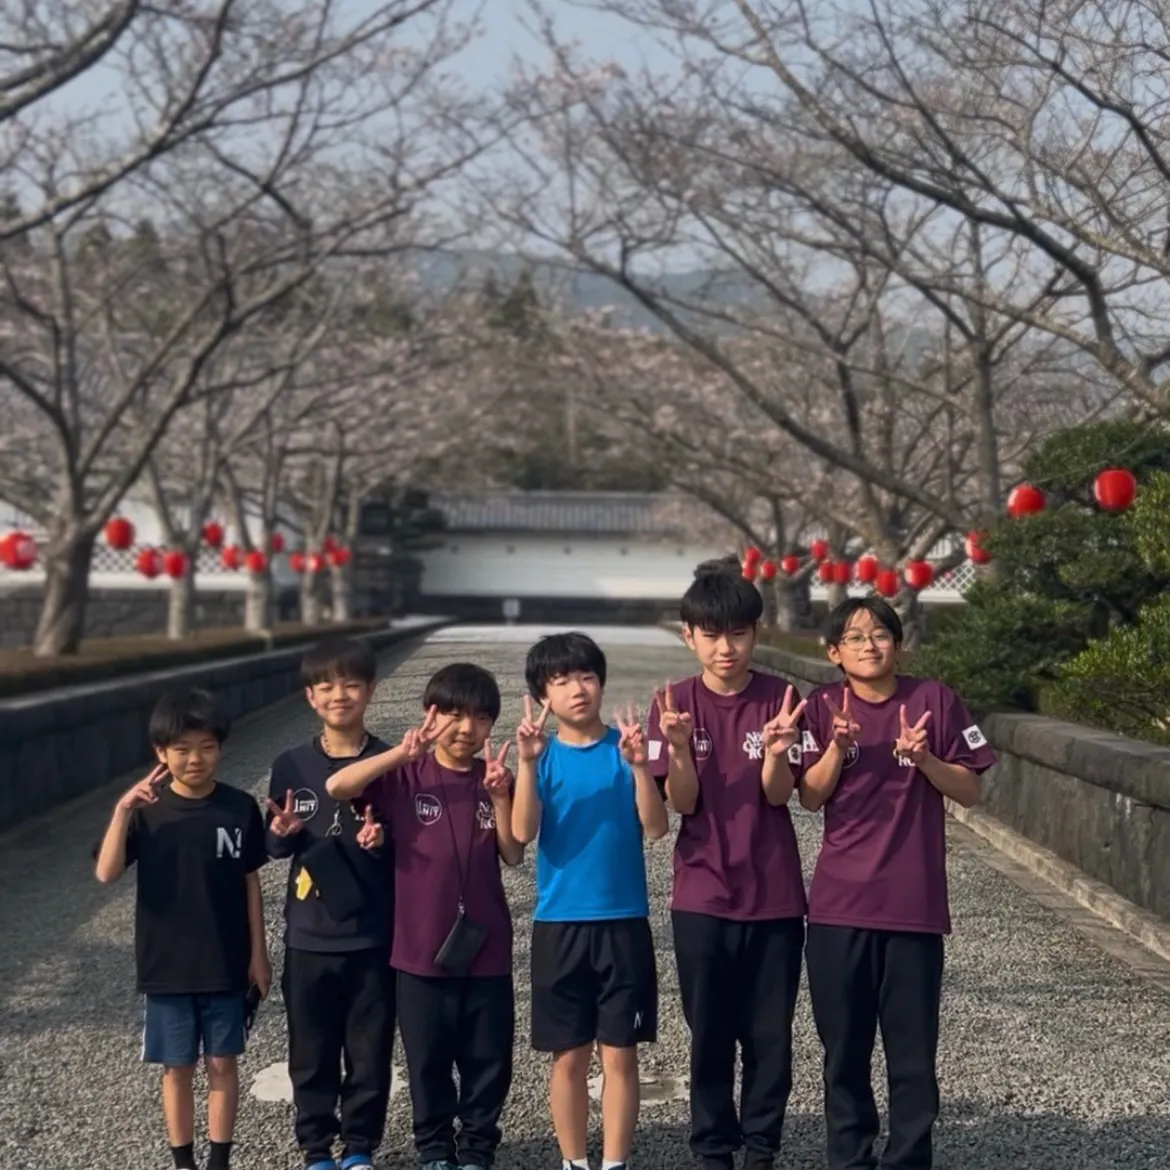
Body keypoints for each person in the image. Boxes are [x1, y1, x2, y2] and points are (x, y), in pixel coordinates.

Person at [798, 596, 995, 1170]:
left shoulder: (934, 700)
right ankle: (850, 1158)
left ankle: (909, 1158)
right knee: (844, 1054)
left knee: (912, 1057)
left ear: (899, 644)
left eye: (880, 634)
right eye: (855, 638)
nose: (869, 645)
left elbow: (971, 791)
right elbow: (809, 796)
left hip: (913, 907)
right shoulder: (821, 707)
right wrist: (837, 747)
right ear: (834, 652)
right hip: (838, 907)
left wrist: (926, 759)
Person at [327, 663, 524, 1170]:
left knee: (488, 1060)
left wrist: (501, 796)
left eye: (480, 718)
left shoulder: (495, 776)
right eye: (453, 715)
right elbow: (338, 787)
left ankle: (478, 1149)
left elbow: (514, 853)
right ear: (429, 716)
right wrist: (400, 752)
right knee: (427, 1060)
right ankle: (435, 1151)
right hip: (418, 948)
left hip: (487, 946)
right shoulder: (404, 775)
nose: (465, 729)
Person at [645, 565, 808, 1170]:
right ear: (689, 636)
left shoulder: (783, 700)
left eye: (737, 634)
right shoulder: (672, 704)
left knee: (770, 1035)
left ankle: (762, 1145)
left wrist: (777, 751)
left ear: (755, 635)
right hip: (701, 893)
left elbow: (778, 795)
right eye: (711, 635)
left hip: (775, 893)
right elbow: (680, 804)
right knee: (709, 1031)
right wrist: (682, 748)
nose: (725, 648)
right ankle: (713, 1146)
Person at [511, 631, 669, 1170]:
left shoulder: (624, 749)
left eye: (587, 676)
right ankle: (574, 1161)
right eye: (561, 681)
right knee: (570, 1054)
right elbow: (522, 831)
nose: (578, 689)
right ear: (543, 695)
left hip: (623, 921)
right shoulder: (542, 756)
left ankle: (616, 1162)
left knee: (620, 1053)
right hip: (558, 922)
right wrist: (528, 765)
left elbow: (656, 827)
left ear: (601, 682)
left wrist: (641, 767)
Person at [94, 688, 269, 1170]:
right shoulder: (147, 812)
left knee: (223, 1064)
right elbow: (106, 873)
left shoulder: (238, 807)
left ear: (220, 747)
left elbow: (250, 880)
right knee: (178, 1067)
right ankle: (183, 1162)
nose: (195, 759)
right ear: (161, 753)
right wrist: (121, 810)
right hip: (166, 966)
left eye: (206, 747)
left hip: (227, 960)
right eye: (182, 749)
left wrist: (260, 953)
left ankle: (219, 1160)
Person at [264, 637, 396, 1170]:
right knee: (311, 1047)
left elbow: (409, 845)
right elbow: (274, 847)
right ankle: (316, 1145)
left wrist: (382, 843)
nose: (338, 694)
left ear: (370, 690)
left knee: (369, 1047)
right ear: (310, 697)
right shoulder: (291, 764)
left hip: (372, 932)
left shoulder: (390, 761)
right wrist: (281, 832)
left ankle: (360, 1144)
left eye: (350, 683)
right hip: (309, 934)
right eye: (326, 686)